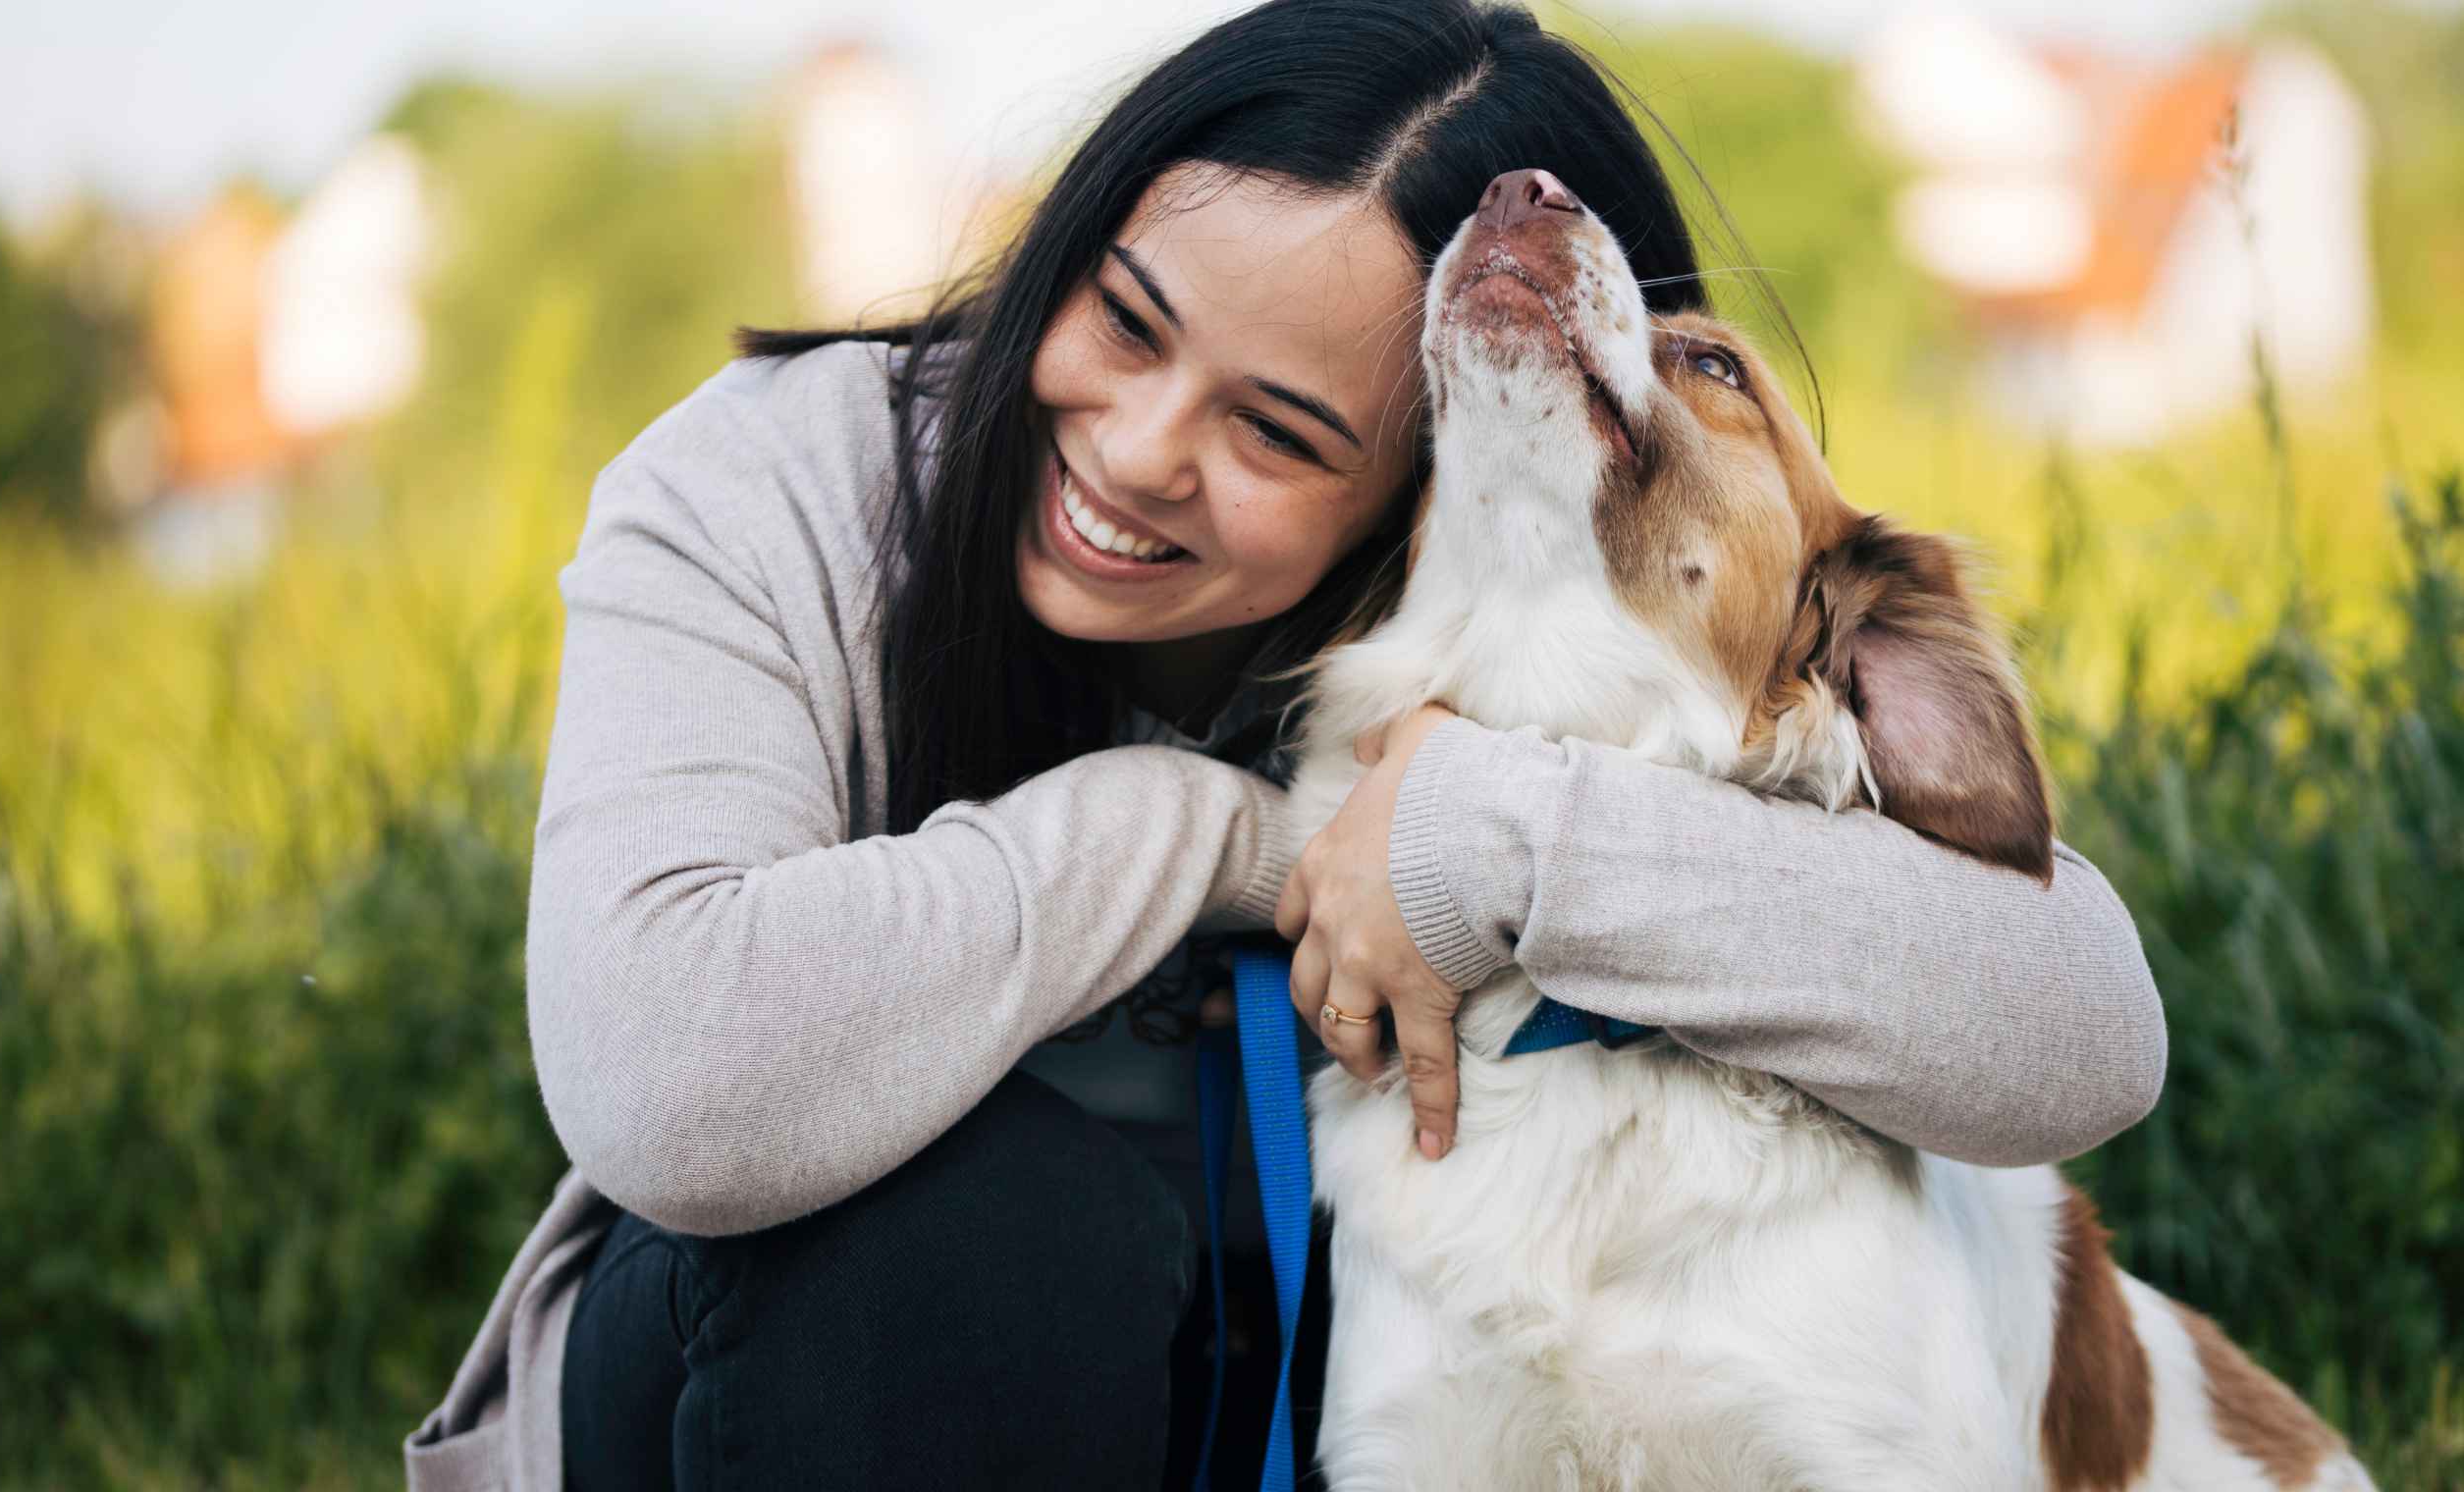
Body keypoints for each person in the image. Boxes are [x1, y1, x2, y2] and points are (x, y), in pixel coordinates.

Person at [403, 2, 2168, 1488]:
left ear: (1433, 476)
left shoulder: (1471, 626)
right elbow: (673, 1076)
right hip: (775, 1386)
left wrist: (1490, 833)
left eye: (1279, 430)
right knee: (997, 1233)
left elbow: (2079, 1027)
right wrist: (1217, 836)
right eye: (1124, 318)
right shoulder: (770, 486)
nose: (1142, 452)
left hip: (1232, 1401)